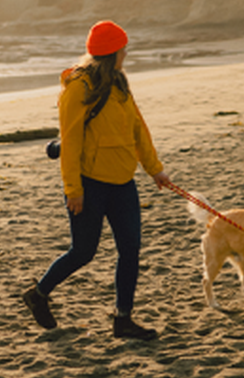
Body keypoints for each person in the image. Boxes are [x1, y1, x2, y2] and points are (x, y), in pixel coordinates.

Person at [22, 20, 171, 340]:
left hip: (123, 183)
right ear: (112, 52)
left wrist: (154, 169)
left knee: (130, 250)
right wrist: (73, 189)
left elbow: (137, 129)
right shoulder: (79, 87)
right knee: (83, 252)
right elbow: (71, 140)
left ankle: (123, 319)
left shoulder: (120, 84)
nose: (126, 53)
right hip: (89, 185)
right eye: (123, 48)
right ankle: (38, 295)